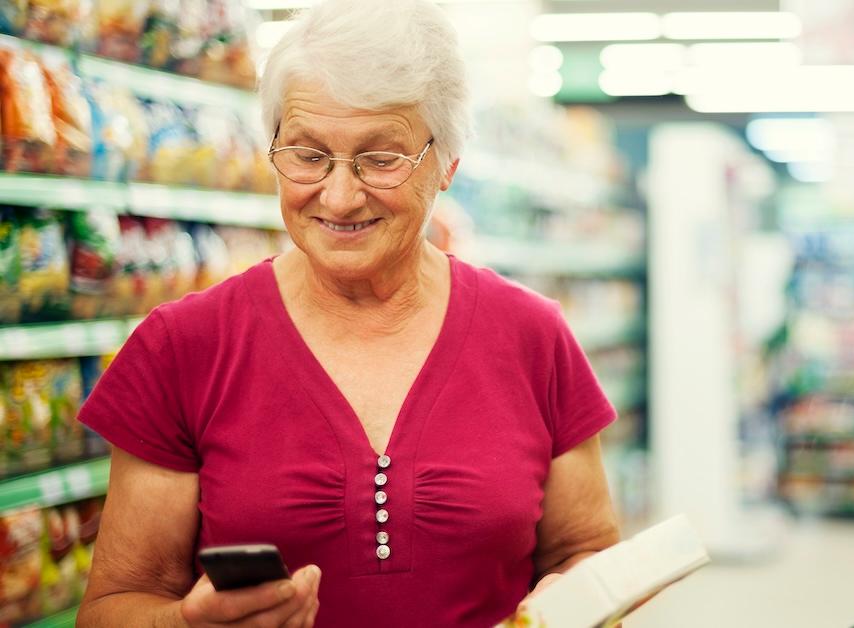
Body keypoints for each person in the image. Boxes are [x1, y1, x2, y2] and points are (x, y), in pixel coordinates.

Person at [75, 1, 621, 625]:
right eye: (307, 155)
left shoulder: (532, 337)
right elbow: (113, 606)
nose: (338, 196)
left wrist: (578, 601)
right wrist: (184, 624)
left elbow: (586, 554)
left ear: (447, 164)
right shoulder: (182, 347)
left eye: (381, 158)